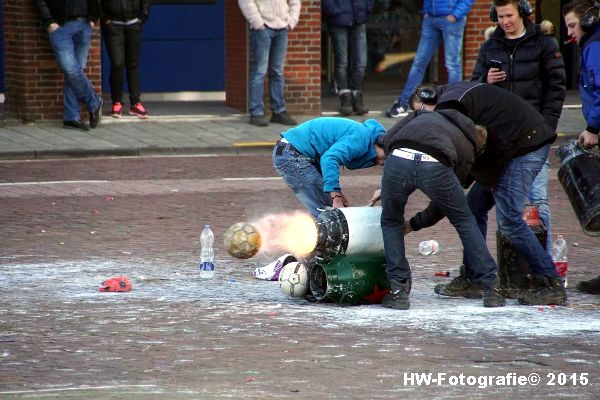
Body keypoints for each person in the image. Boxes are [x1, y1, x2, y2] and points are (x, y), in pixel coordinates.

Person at [413, 81, 567, 306]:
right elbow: (466, 161)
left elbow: (461, 162)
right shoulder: (452, 99)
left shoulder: (450, 107)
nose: (422, 119)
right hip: (509, 148)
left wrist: (419, 219)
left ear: (430, 100)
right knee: (474, 207)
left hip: (523, 147)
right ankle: (474, 279)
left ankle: (551, 283)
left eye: (421, 111)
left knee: (510, 222)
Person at [375, 107, 505, 310]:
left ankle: (398, 291)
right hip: (435, 162)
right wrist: (418, 223)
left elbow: (389, 136)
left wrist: (390, 176)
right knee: (464, 220)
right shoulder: (468, 146)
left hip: (398, 157)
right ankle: (492, 288)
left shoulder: (422, 114)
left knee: (391, 221)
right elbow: (445, 205)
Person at [471, 0, 566, 252]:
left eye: (509, 15)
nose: (505, 21)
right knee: (486, 204)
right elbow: (473, 89)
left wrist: (547, 128)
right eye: (500, 16)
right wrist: (485, 79)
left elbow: (556, 89)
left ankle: (542, 263)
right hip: (499, 140)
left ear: (523, 13)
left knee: (537, 201)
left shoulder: (544, 44)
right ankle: (495, 267)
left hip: (534, 137)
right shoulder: (490, 46)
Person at [273, 117, 386, 217]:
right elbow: (329, 159)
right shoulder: (362, 139)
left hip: (291, 152)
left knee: (331, 213)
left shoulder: (364, 135)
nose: (383, 163)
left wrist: (336, 193)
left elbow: (324, 156)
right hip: (292, 155)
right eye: (386, 157)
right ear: (380, 143)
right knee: (329, 216)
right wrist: (336, 197)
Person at [563, 0, 600, 294]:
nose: (570, 33)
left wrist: (593, 127)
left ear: (587, 21)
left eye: (573, 25)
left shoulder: (595, 47)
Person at [385, 0, 473, 118]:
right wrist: (426, 11)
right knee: (419, 63)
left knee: (452, 64)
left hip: (451, 18)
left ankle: (453, 105)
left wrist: (456, 14)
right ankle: (404, 103)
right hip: (431, 18)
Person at [34, 0, 104, 131]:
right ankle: (94, 102)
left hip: (84, 24)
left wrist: (93, 18)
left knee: (74, 72)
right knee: (71, 69)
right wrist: (49, 21)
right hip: (60, 26)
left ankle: (71, 117)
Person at [238, 0, 301, 127]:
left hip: (282, 27)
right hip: (263, 27)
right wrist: (257, 22)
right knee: (259, 71)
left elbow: (295, 2)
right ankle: (256, 112)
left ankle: (278, 111)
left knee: (277, 71)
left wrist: (292, 21)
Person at [100, 0, 151, 119]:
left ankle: (135, 103)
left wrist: (142, 16)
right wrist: (104, 19)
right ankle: (117, 102)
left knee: (133, 63)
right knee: (117, 64)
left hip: (133, 24)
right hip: (113, 25)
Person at [322, 0, 372, 116]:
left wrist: (366, 8)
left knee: (361, 62)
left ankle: (357, 96)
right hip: (338, 20)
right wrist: (335, 11)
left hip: (359, 19)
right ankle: (345, 99)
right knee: (342, 61)